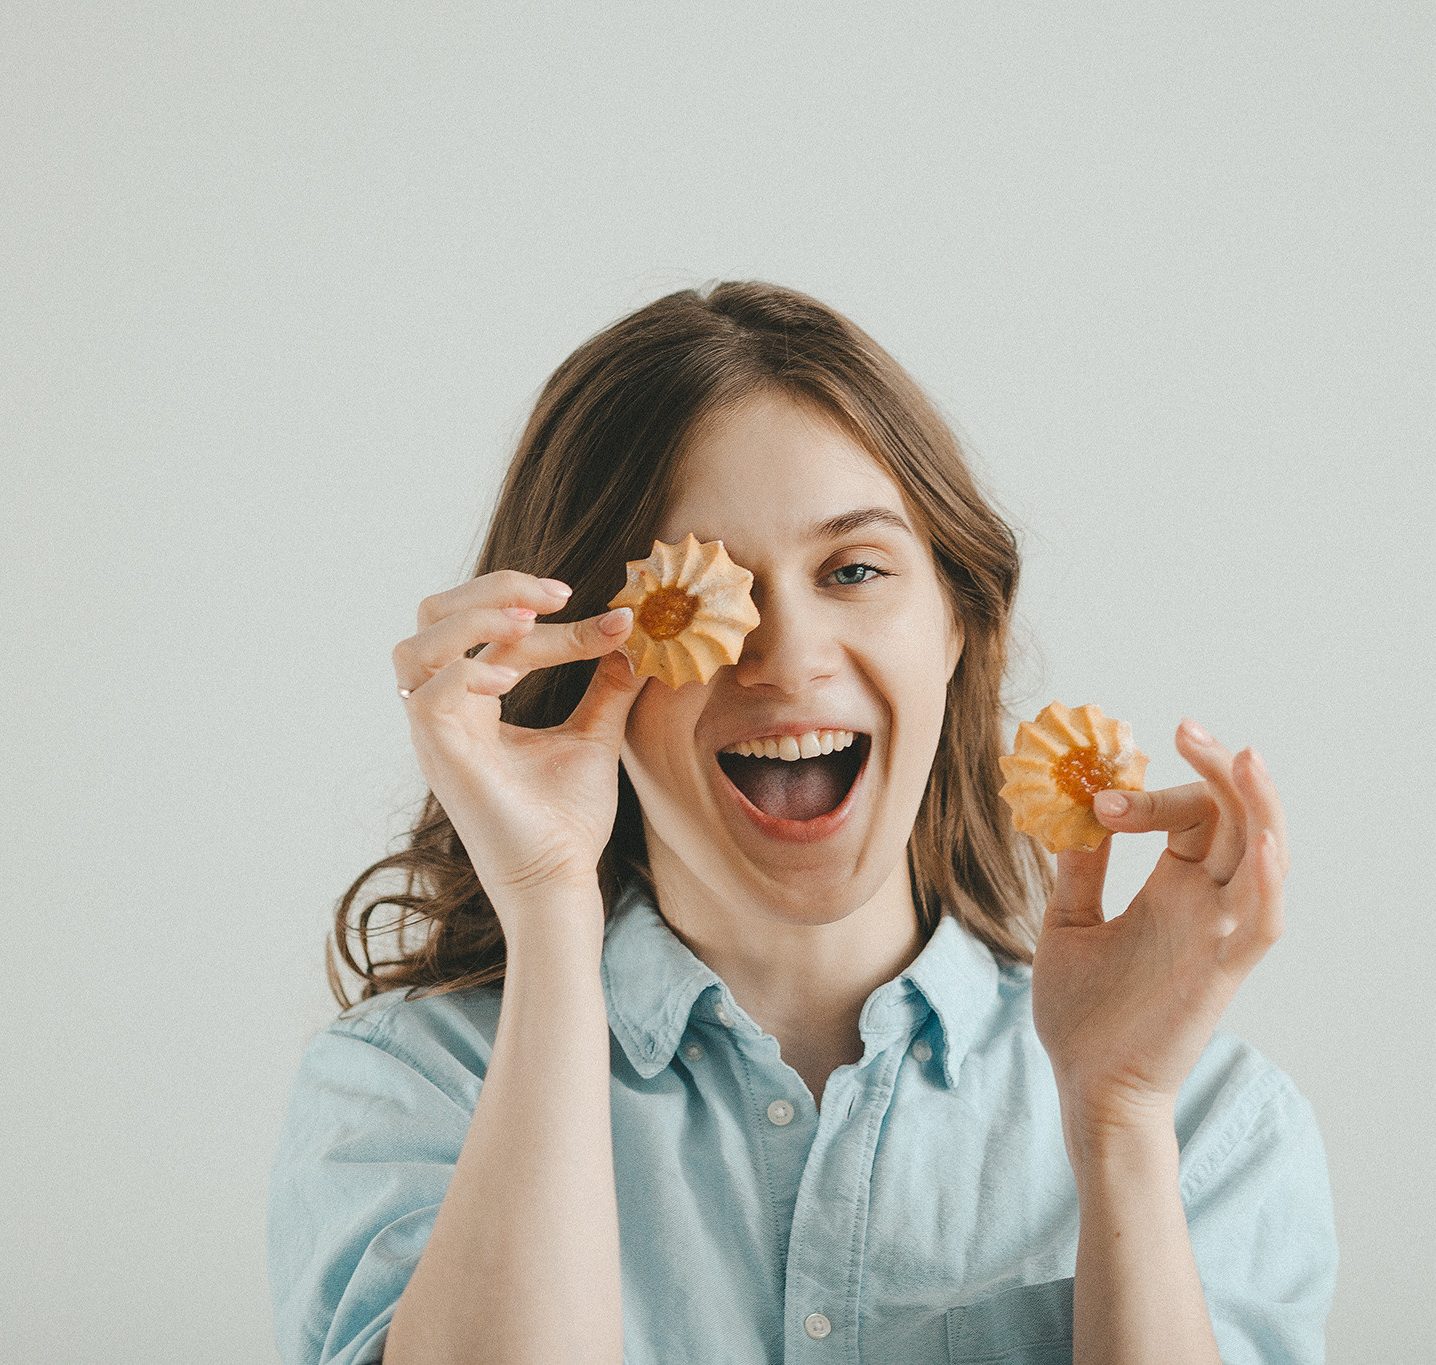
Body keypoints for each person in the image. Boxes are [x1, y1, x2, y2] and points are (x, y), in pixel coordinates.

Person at [267, 281, 1336, 1364]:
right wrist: (546, 903)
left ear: (961, 622)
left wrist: (1116, 1126)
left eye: (854, 570)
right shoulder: (412, 1088)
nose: (785, 656)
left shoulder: (1206, 1123)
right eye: (701, 593)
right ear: (578, 649)